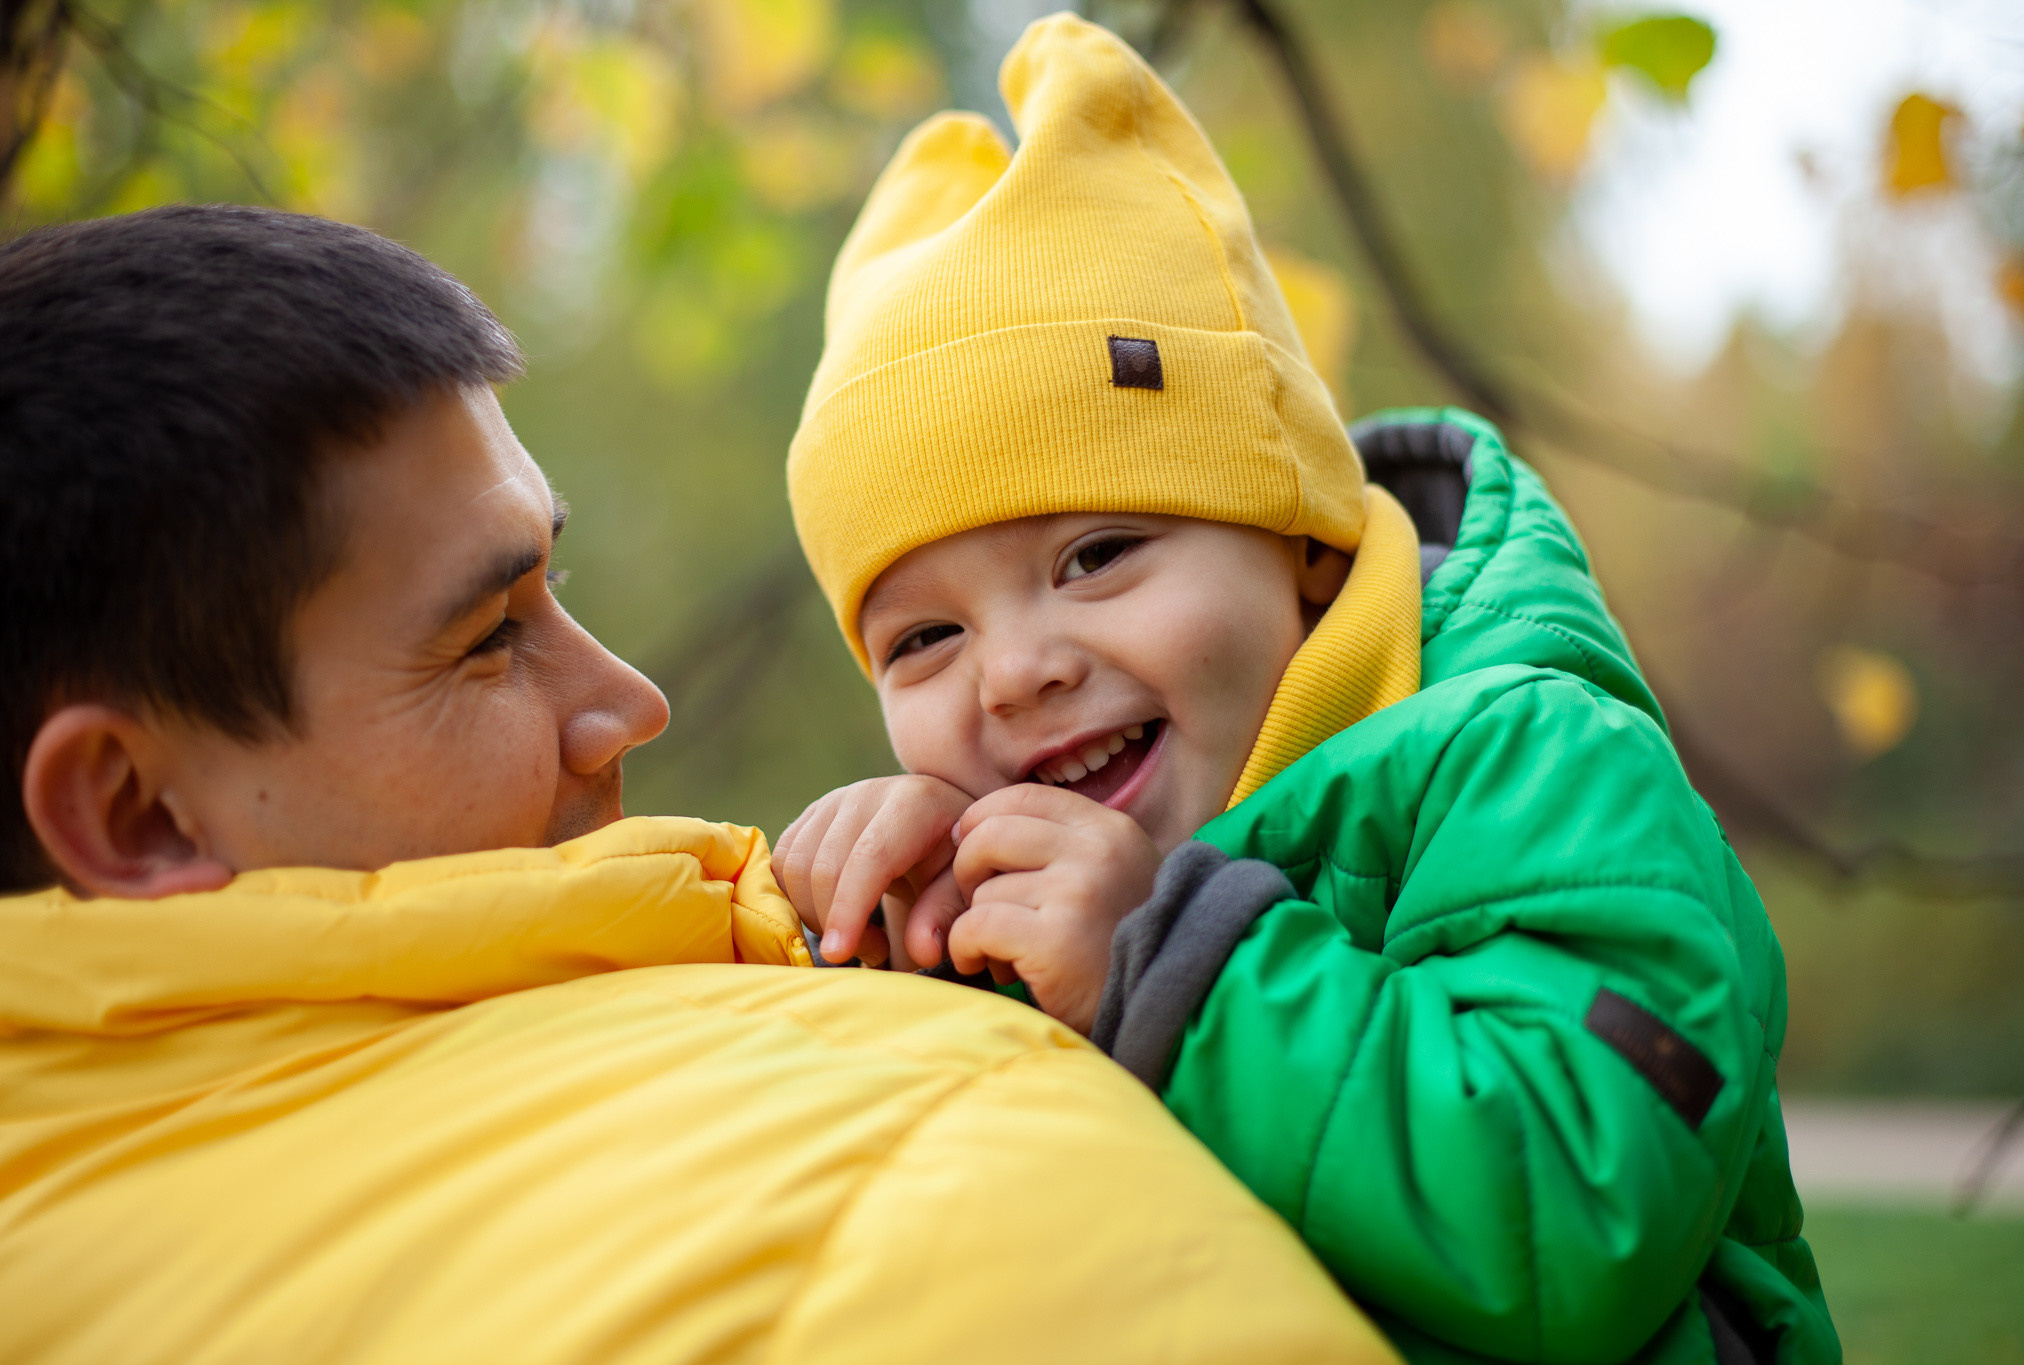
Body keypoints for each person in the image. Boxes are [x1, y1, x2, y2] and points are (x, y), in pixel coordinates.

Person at [0, 204, 1399, 1364]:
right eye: (487, 638)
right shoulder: (938, 1191)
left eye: (561, 586)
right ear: (135, 813)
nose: (631, 704)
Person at [775, 16, 1838, 1365]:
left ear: (1306, 544)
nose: (1014, 669)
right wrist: (911, 940)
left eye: (1096, 555)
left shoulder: (1540, 760)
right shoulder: (1072, 884)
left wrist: (1173, 965)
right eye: (925, 638)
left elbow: (1583, 1205)